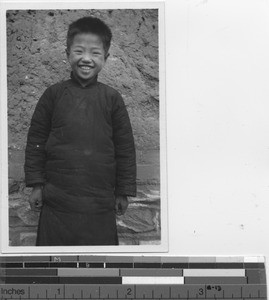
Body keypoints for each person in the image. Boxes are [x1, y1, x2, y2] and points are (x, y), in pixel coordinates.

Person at [24, 16, 137, 246]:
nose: (86, 59)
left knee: (100, 264)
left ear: (105, 57)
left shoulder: (112, 99)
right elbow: (36, 140)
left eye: (95, 53)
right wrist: (36, 184)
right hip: (57, 200)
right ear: (68, 54)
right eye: (79, 51)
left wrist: (122, 191)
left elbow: (125, 148)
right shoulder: (53, 95)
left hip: (100, 201)